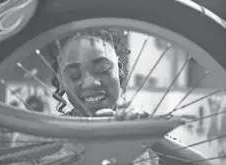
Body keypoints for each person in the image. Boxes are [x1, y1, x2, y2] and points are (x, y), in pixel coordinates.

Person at [13, 29, 160, 165]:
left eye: (103, 69)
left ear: (119, 68)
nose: (90, 83)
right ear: (61, 81)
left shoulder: (145, 136)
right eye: (74, 76)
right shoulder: (34, 141)